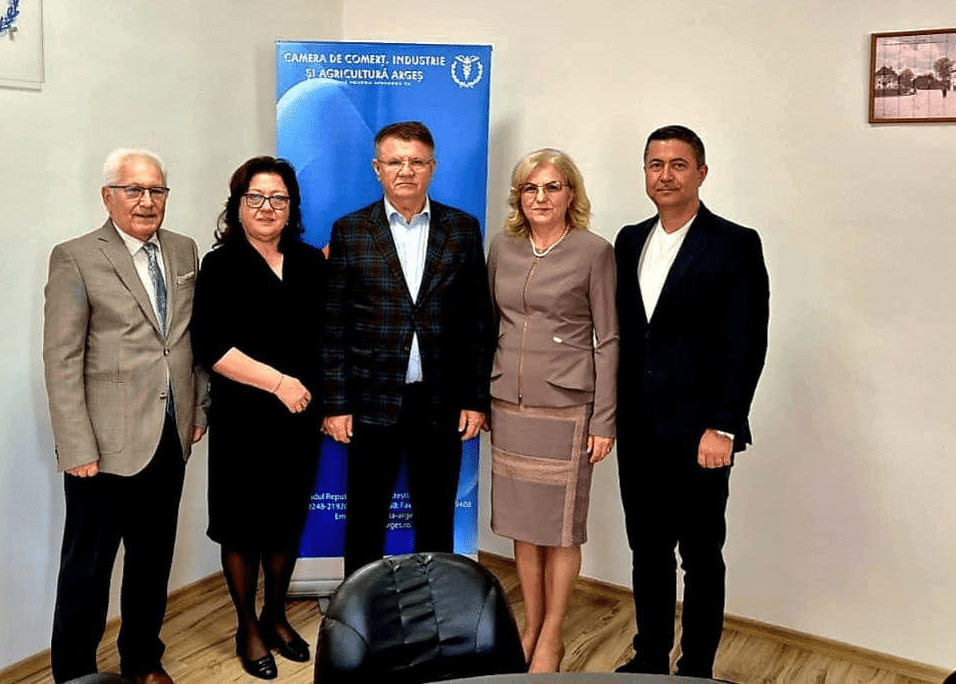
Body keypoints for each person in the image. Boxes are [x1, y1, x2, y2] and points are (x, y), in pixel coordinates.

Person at [43, 148, 208, 684]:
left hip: (169, 437)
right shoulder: (75, 257)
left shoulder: (183, 249)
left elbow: (191, 339)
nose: (146, 201)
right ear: (108, 196)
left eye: (156, 190)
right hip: (102, 448)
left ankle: (142, 660)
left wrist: (198, 407)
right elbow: (62, 359)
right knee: (87, 572)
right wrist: (76, 447)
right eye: (134, 190)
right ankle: (76, 674)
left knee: (151, 564)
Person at [614, 125, 769, 677]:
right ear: (645, 173)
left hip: (700, 432)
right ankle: (650, 657)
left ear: (701, 173)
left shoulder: (734, 243)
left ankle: (697, 668)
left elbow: (746, 342)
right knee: (647, 550)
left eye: (678, 164)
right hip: (638, 427)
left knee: (701, 556)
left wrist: (723, 426)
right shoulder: (629, 240)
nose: (666, 175)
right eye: (655, 164)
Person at [321, 120, 494, 577]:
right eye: (395, 161)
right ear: (377, 168)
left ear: (432, 167)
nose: (406, 170)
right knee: (365, 517)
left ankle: (433, 606)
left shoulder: (462, 229)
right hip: (370, 401)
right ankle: (361, 609)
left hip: (440, 401)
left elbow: (479, 321)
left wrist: (476, 399)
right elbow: (335, 326)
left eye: (416, 161)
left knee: (436, 518)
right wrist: (336, 404)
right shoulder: (351, 231)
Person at [190, 156, 326, 679]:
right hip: (244, 420)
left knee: (286, 522)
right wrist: (278, 383)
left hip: (299, 419)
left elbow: (325, 334)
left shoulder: (310, 262)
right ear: (238, 206)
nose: (267, 207)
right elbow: (211, 345)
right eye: (256, 198)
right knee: (243, 526)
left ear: (291, 207)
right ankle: (246, 625)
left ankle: (275, 614)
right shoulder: (220, 265)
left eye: (278, 198)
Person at [486, 149, 618, 672]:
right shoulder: (503, 246)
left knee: (560, 528)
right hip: (510, 404)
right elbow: (487, 324)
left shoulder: (594, 251)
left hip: (567, 407)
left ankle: (552, 636)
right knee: (524, 525)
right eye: (530, 188)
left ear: (571, 195)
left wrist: (604, 419)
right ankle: (531, 625)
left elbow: (609, 339)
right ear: (519, 196)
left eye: (552, 187)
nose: (540, 197)